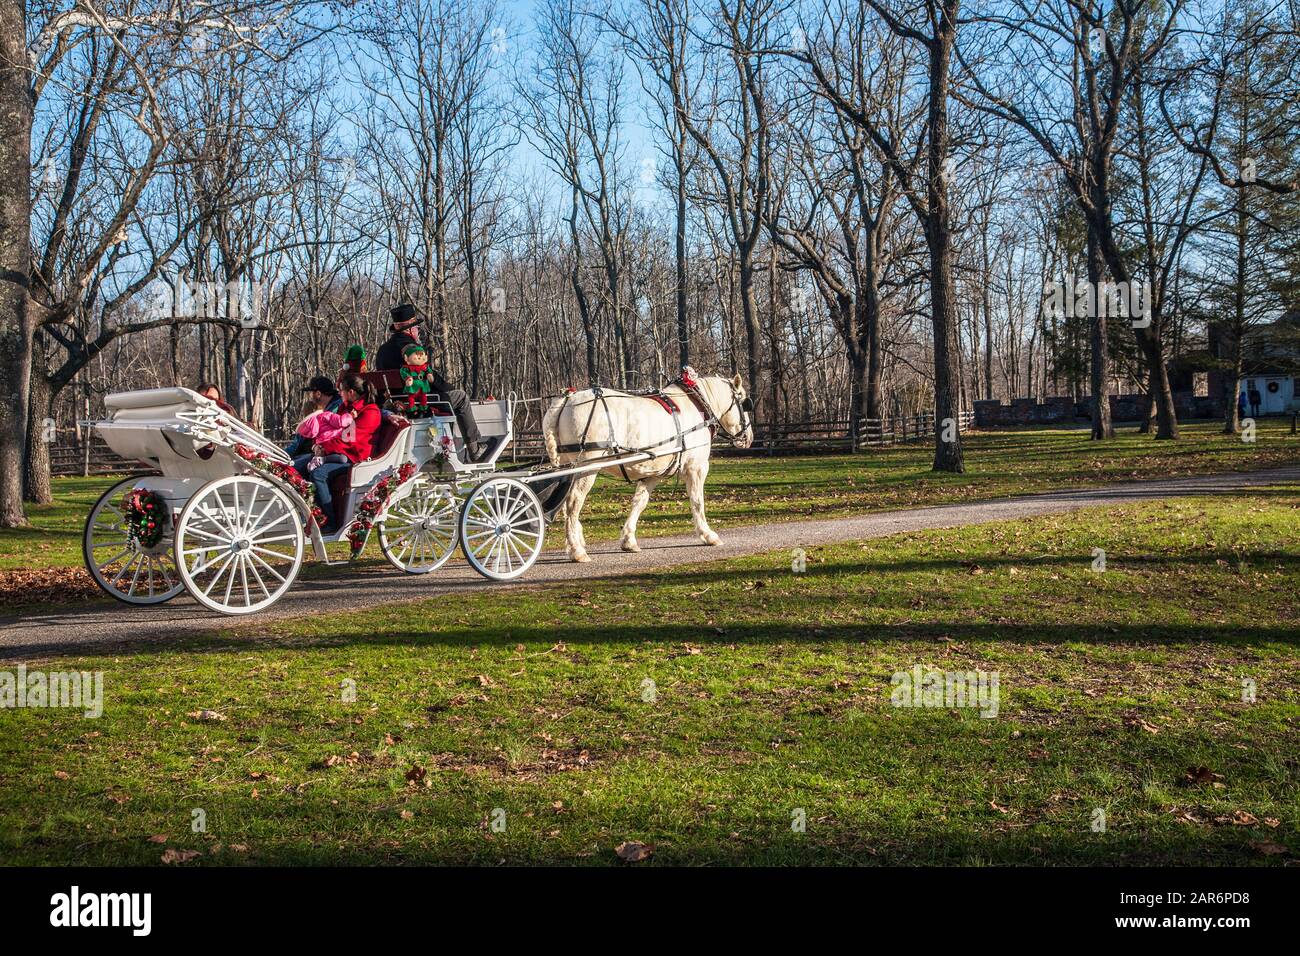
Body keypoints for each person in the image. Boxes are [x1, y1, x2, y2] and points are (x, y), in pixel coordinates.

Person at [375, 302, 482, 460]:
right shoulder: (411, 349)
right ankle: (475, 449)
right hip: (422, 401)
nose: (418, 331)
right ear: (411, 328)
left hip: (398, 402)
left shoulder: (383, 351)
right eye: (417, 328)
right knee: (461, 397)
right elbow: (430, 378)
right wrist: (448, 388)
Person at [293, 373, 381, 535]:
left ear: (351, 392)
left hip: (353, 457)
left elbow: (349, 440)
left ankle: (330, 521)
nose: (339, 394)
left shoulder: (370, 412)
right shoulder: (344, 408)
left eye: (341, 391)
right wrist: (318, 446)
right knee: (298, 464)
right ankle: (305, 512)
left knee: (319, 473)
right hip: (335, 451)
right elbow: (331, 430)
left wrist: (323, 448)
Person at [285, 376, 343, 457]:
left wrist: (285, 454)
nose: (310, 397)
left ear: (318, 394)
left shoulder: (333, 410)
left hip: (325, 452)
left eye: (311, 393)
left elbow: (303, 437)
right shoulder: (335, 405)